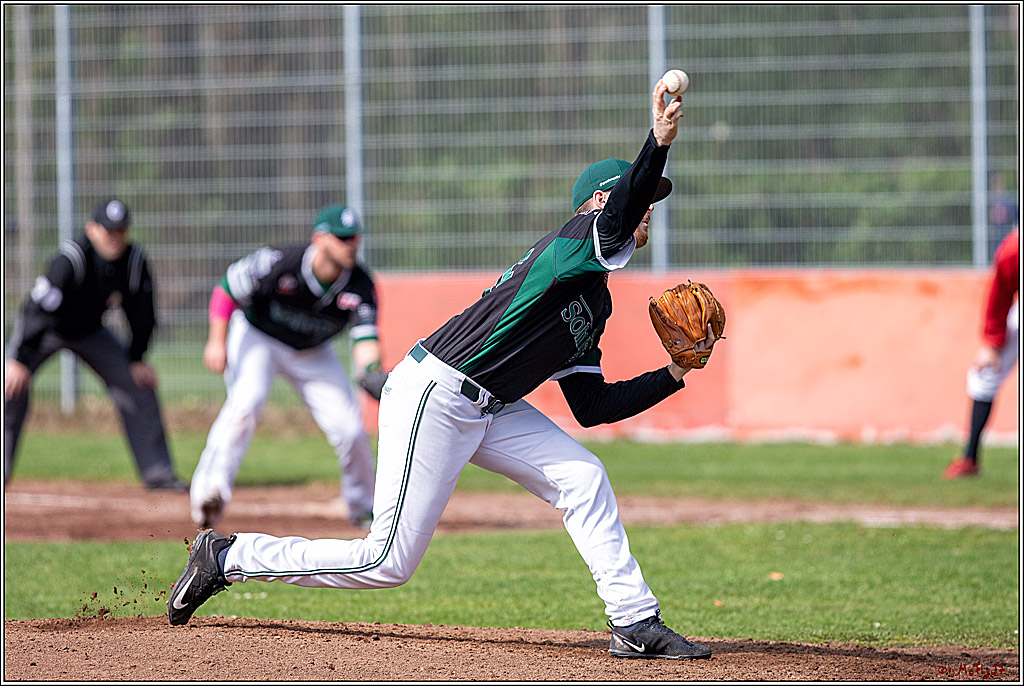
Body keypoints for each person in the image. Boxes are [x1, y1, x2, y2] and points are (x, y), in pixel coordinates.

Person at [169, 80, 715, 661]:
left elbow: (592, 405)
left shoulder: (593, 298)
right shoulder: (574, 242)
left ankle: (632, 620)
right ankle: (228, 556)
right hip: (438, 393)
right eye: (643, 199)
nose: (649, 210)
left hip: (492, 406)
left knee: (582, 477)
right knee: (386, 563)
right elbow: (619, 211)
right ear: (603, 205)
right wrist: (658, 141)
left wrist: (673, 374)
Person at [188, 203, 386, 530]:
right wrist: (216, 340)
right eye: (342, 238)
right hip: (257, 337)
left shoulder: (360, 285)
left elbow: (365, 338)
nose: (351, 244)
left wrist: (372, 373)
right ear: (319, 239)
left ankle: (363, 506)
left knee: (349, 428)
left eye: (355, 238)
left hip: (311, 351)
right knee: (245, 403)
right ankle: (209, 496)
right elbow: (227, 288)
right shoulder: (280, 262)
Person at [4, 198, 187, 491]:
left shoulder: (133, 262)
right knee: (10, 387)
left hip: (90, 332)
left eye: (121, 231)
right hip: (45, 331)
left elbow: (142, 314)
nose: (115, 237)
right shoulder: (71, 259)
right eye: (108, 230)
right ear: (92, 229)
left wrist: (137, 357)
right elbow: (36, 310)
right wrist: (19, 360)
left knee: (138, 384)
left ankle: (158, 474)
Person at [943, 223, 1019, 479]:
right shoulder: (1014, 249)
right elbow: (1000, 295)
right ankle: (970, 458)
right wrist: (993, 344)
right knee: (984, 374)